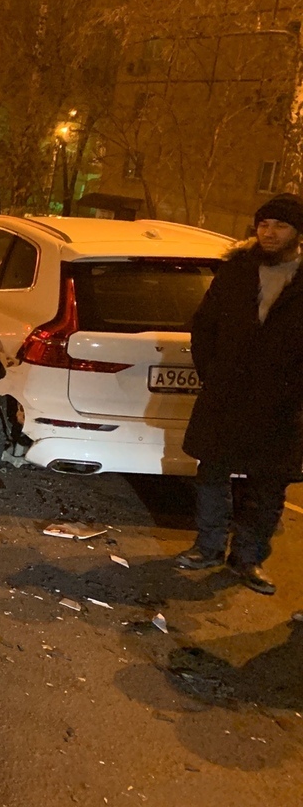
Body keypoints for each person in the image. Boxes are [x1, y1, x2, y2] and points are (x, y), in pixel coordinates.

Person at [177, 193, 303, 595]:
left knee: (267, 487)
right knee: (212, 474)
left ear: (297, 232)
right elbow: (204, 326)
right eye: (263, 224)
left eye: (280, 226)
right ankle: (208, 547)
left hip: (281, 406)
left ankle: (248, 559)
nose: (269, 233)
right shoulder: (237, 272)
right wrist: (214, 375)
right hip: (227, 397)